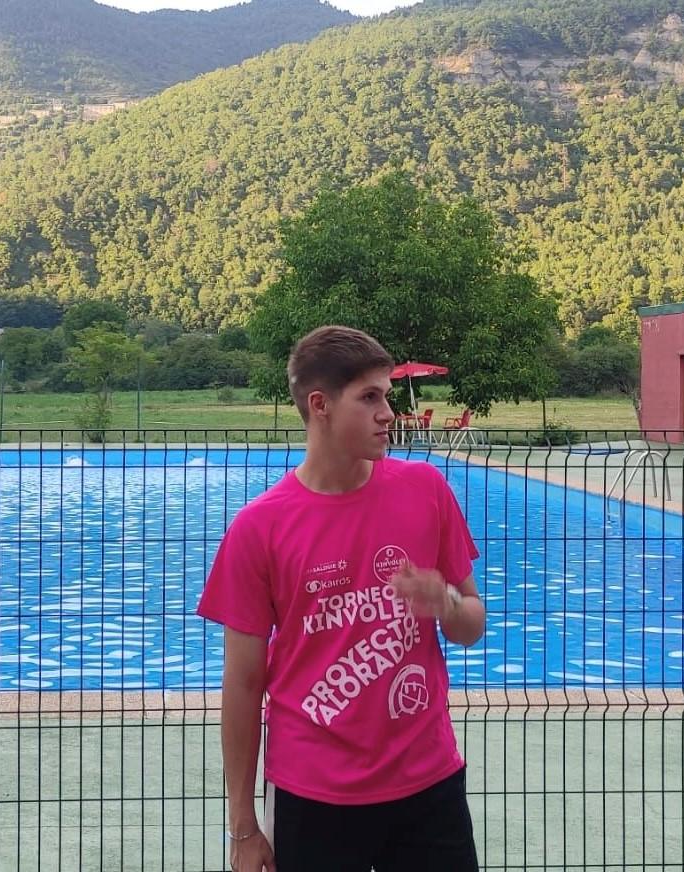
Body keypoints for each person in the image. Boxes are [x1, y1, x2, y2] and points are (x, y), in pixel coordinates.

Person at [197, 325, 486, 872]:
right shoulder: (260, 528)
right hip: (313, 794)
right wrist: (243, 826)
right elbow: (243, 684)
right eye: (370, 397)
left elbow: (472, 624)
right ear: (320, 405)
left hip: (427, 784)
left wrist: (446, 602)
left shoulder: (425, 490)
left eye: (388, 396)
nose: (388, 413)